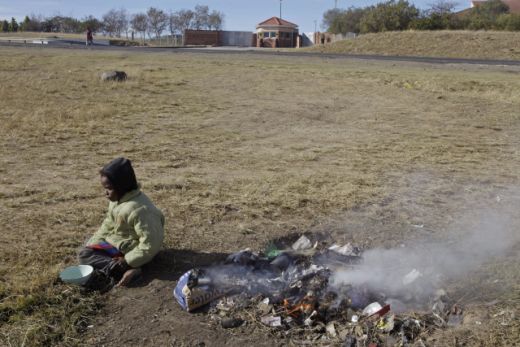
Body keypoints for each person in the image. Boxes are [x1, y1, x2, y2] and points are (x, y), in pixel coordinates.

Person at [79, 157, 165, 286]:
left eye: (109, 188)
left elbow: (151, 244)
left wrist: (127, 261)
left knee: (85, 256)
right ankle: (113, 268)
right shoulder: (117, 201)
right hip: (118, 243)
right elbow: (108, 224)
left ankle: (130, 270)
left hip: (133, 252)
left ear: (122, 186)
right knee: (87, 248)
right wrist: (94, 243)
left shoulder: (141, 210)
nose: (106, 193)